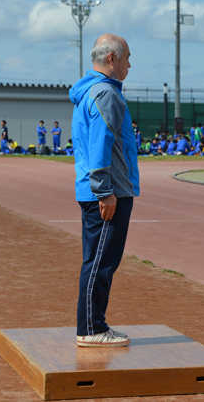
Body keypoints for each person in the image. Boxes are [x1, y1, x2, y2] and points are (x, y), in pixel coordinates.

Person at [69, 33, 139, 347]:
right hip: (107, 193)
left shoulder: (91, 91)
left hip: (104, 190)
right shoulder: (105, 94)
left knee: (100, 261)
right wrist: (104, 191)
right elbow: (100, 145)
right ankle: (91, 328)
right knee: (100, 262)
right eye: (126, 58)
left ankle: (95, 324)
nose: (129, 65)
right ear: (112, 58)